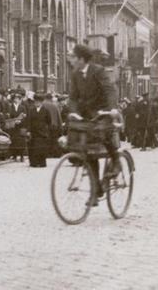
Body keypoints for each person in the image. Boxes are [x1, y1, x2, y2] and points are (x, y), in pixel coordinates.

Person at [66, 44, 120, 207]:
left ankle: (116, 161)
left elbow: (110, 90)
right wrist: (74, 111)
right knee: (89, 152)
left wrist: (112, 109)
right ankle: (96, 191)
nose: (72, 60)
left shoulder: (98, 71)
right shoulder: (75, 74)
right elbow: (73, 97)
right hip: (87, 114)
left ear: (82, 59)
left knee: (104, 133)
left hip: (103, 111)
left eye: (74, 57)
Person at [25, 93, 53, 168]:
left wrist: (47, 131)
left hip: (42, 133)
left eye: (38, 102)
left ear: (41, 102)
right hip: (33, 132)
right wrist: (28, 131)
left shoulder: (46, 111)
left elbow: (49, 122)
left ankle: (41, 162)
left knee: (41, 148)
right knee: (33, 148)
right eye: (36, 102)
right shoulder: (31, 110)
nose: (37, 103)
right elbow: (28, 121)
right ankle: (34, 163)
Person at [2, 91, 28, 162]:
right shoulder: (10, 107)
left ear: (20, 100)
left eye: (18, 99)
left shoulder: (22, 107)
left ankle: (22, 156)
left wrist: (20, 121)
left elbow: (25, 116)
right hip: (13, 127)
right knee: (14, 141)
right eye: (15, 98)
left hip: (20, 127)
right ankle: (14, 155)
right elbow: (8, 116)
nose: (16, 100)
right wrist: (13, 121)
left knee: (21, 141)